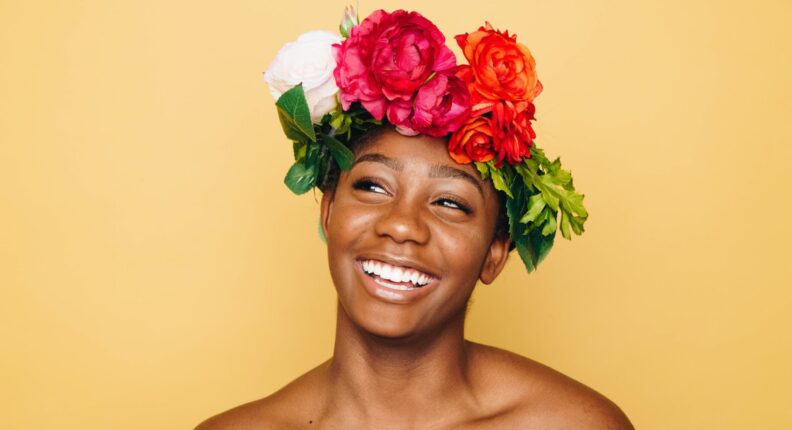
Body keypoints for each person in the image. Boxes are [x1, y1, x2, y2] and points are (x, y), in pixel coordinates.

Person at [197, 8, 634, 429]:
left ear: (495, 254)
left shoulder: (574, 424)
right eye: (373, 186)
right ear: (328, 210)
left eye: (449, 203)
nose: (402, 225)